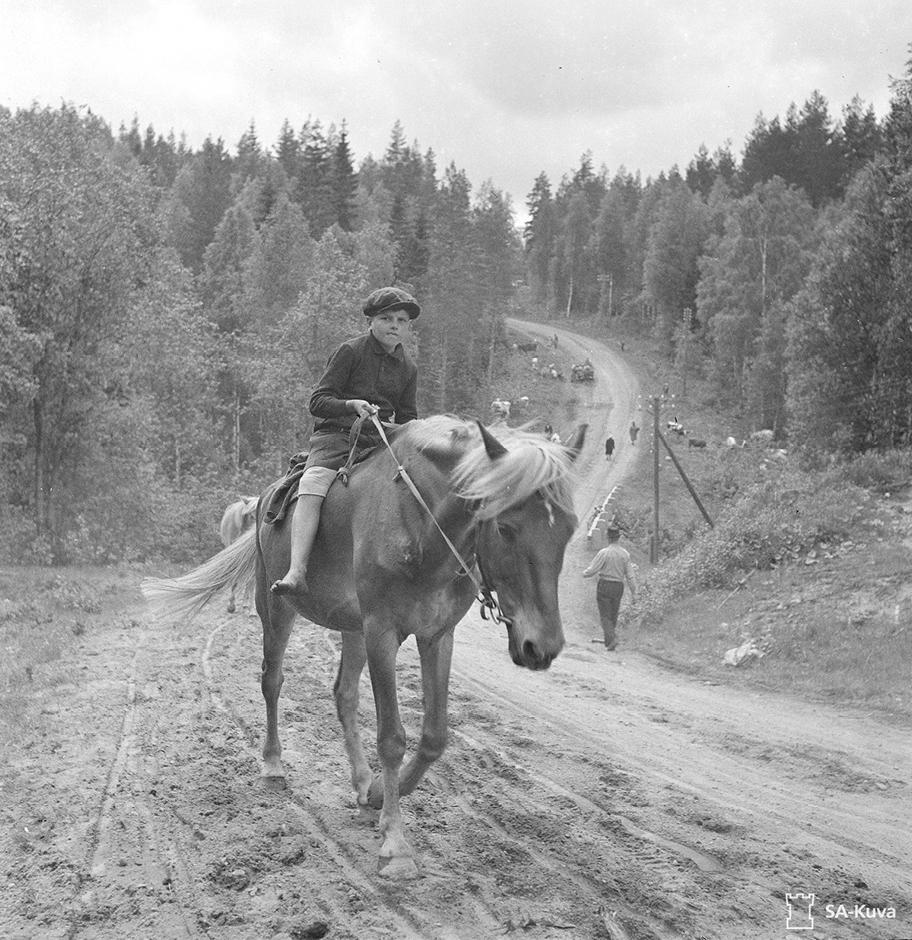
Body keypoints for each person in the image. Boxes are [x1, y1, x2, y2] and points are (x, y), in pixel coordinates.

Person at [271, 287, 420, 595]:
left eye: (402, 320)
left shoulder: (408, 368)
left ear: (408, 326)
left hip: (380, 443)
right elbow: (318, 401)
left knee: (419, 487)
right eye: (386, 318)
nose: (395, 325)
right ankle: (297, 570)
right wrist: (351, 405)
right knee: (313, 484)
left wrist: (406, 430)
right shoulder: (350, 352)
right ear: (371, 321)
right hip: (335, 438)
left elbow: (408, 419)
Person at [582, 525, 637, 650]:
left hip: (605, 585)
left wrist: (584, 573)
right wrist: (634, 592)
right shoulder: (625, 554)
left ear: (608, 537)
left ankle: (612, 639)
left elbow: (593, 570)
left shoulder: (604, 553)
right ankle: (610, 640)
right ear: (618, 538)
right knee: (613, 613)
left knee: (605, 615)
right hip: (618, 586)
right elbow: (630, 575)